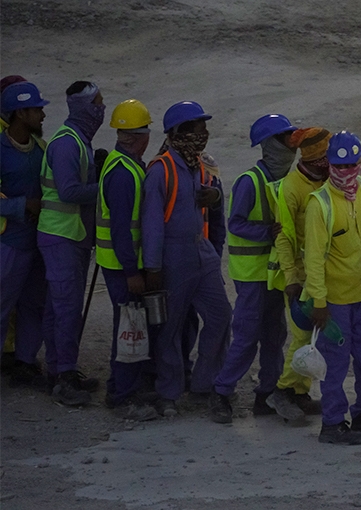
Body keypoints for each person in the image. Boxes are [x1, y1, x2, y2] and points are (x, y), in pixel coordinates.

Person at [304, 130, 361, 444]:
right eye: (339, 167)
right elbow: (314, 258)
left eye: (352, 166)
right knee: (336, 361)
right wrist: (319, 301)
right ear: (330, 166)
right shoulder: (320, 205)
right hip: (334, 302)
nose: (346, 173)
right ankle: (332, 423)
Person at [141, 101, 232, 417]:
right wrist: (152, 268)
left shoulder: (199, 165)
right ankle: (168, 391)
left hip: (201, 252)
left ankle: (206, 384)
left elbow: (218, 196)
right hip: (173, 256)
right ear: (179, 133)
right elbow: (152, 224)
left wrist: (216, 198)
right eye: (197, 128)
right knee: (169, 327)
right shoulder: (160, 170)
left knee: (221, 316)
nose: (204, 134)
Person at [209, 114, 300, 424]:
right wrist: (268, 232)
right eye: (285, 139)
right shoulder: (250, 182)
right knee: (247, 336)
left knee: (275, 335)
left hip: (274, 273)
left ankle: (267, 393)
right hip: (251, 275)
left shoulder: (286, 179)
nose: (292, 144)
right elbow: (235, 223)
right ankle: (221, 391)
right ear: (270, 145)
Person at [37, 81, 107, 406]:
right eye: (97, 103)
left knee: (57, 307)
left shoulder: (79, 141)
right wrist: (104, 184)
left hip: (70, 235)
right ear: (83, 108)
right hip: (62, 235)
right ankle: (64, 376)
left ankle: (59, 371)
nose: (102, 109)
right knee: (66, 308)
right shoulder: (67, 144)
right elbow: (68, 192)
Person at [96, 99, 157, 420]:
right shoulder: (123, 174)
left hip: (120, 264)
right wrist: (133, 272)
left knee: (129, 326)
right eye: (145, 131)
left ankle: (121, 386)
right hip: (122, 267)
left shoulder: (127, 164)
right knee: (129, 329)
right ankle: (122, 396)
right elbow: (121, 229)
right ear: (136, 137)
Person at [269, 126, 333, 419]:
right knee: (300, 336)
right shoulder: (291, 187)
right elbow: (283, 237)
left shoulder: (326, 179)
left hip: (320, 271)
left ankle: (300, 393)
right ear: (315, 157)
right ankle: (282, 391)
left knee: (311, 337)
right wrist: (292, 279)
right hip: (299, 275)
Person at [0, 81, 53, 389]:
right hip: (9, 245)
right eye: (37, 110)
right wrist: (24, 205)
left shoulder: (41, 150)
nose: (43, 115)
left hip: (37, 243)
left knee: (34, 305)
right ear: (21, 113)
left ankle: (25, 361)